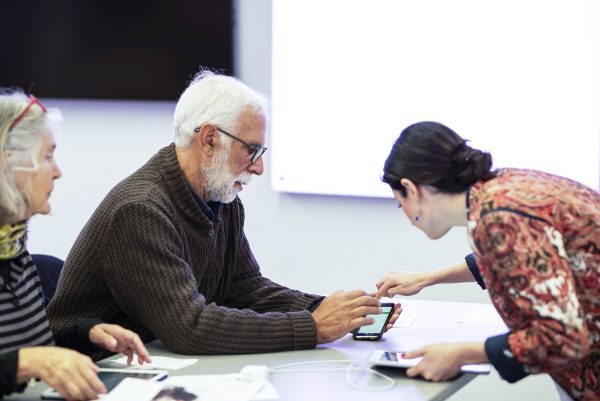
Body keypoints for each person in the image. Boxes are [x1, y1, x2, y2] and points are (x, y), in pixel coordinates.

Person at [48, 71, 396, 356]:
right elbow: (189, 328)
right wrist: (314, 326)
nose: (259, 167)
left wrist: (333, 310)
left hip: (148, 364)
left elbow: (245, 288)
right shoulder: (141, 210)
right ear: (210, 139)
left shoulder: (221, 198)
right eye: (251, 150)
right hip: (92, 376)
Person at [375, 121, 599, 401]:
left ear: (411, 188)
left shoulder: (497, 218)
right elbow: (521, 263)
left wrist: (462, 354)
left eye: (400, 203)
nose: (407, 218)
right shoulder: (501, 190)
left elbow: (563, 336)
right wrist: (427, 278)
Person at [0, 89, 151, 400]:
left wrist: (85, 334)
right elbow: (21, 361)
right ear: (9, 165)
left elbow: (28, 350)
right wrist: (27, 362)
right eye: (47, 156)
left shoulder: (13, 250)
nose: (57, 171)